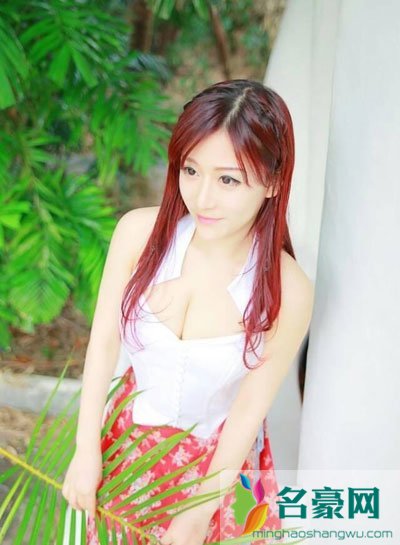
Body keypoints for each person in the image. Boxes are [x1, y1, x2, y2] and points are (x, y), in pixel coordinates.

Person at [61, 79, 314, 545]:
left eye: (228, 179)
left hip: (218, 474)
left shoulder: (288, 289)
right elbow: (103, 345)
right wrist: (86, 449)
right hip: (124, 451)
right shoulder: (138, 234)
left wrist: (199, 514)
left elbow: (248, 412)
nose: (202, 198)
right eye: (191, 170)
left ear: (274, 181)